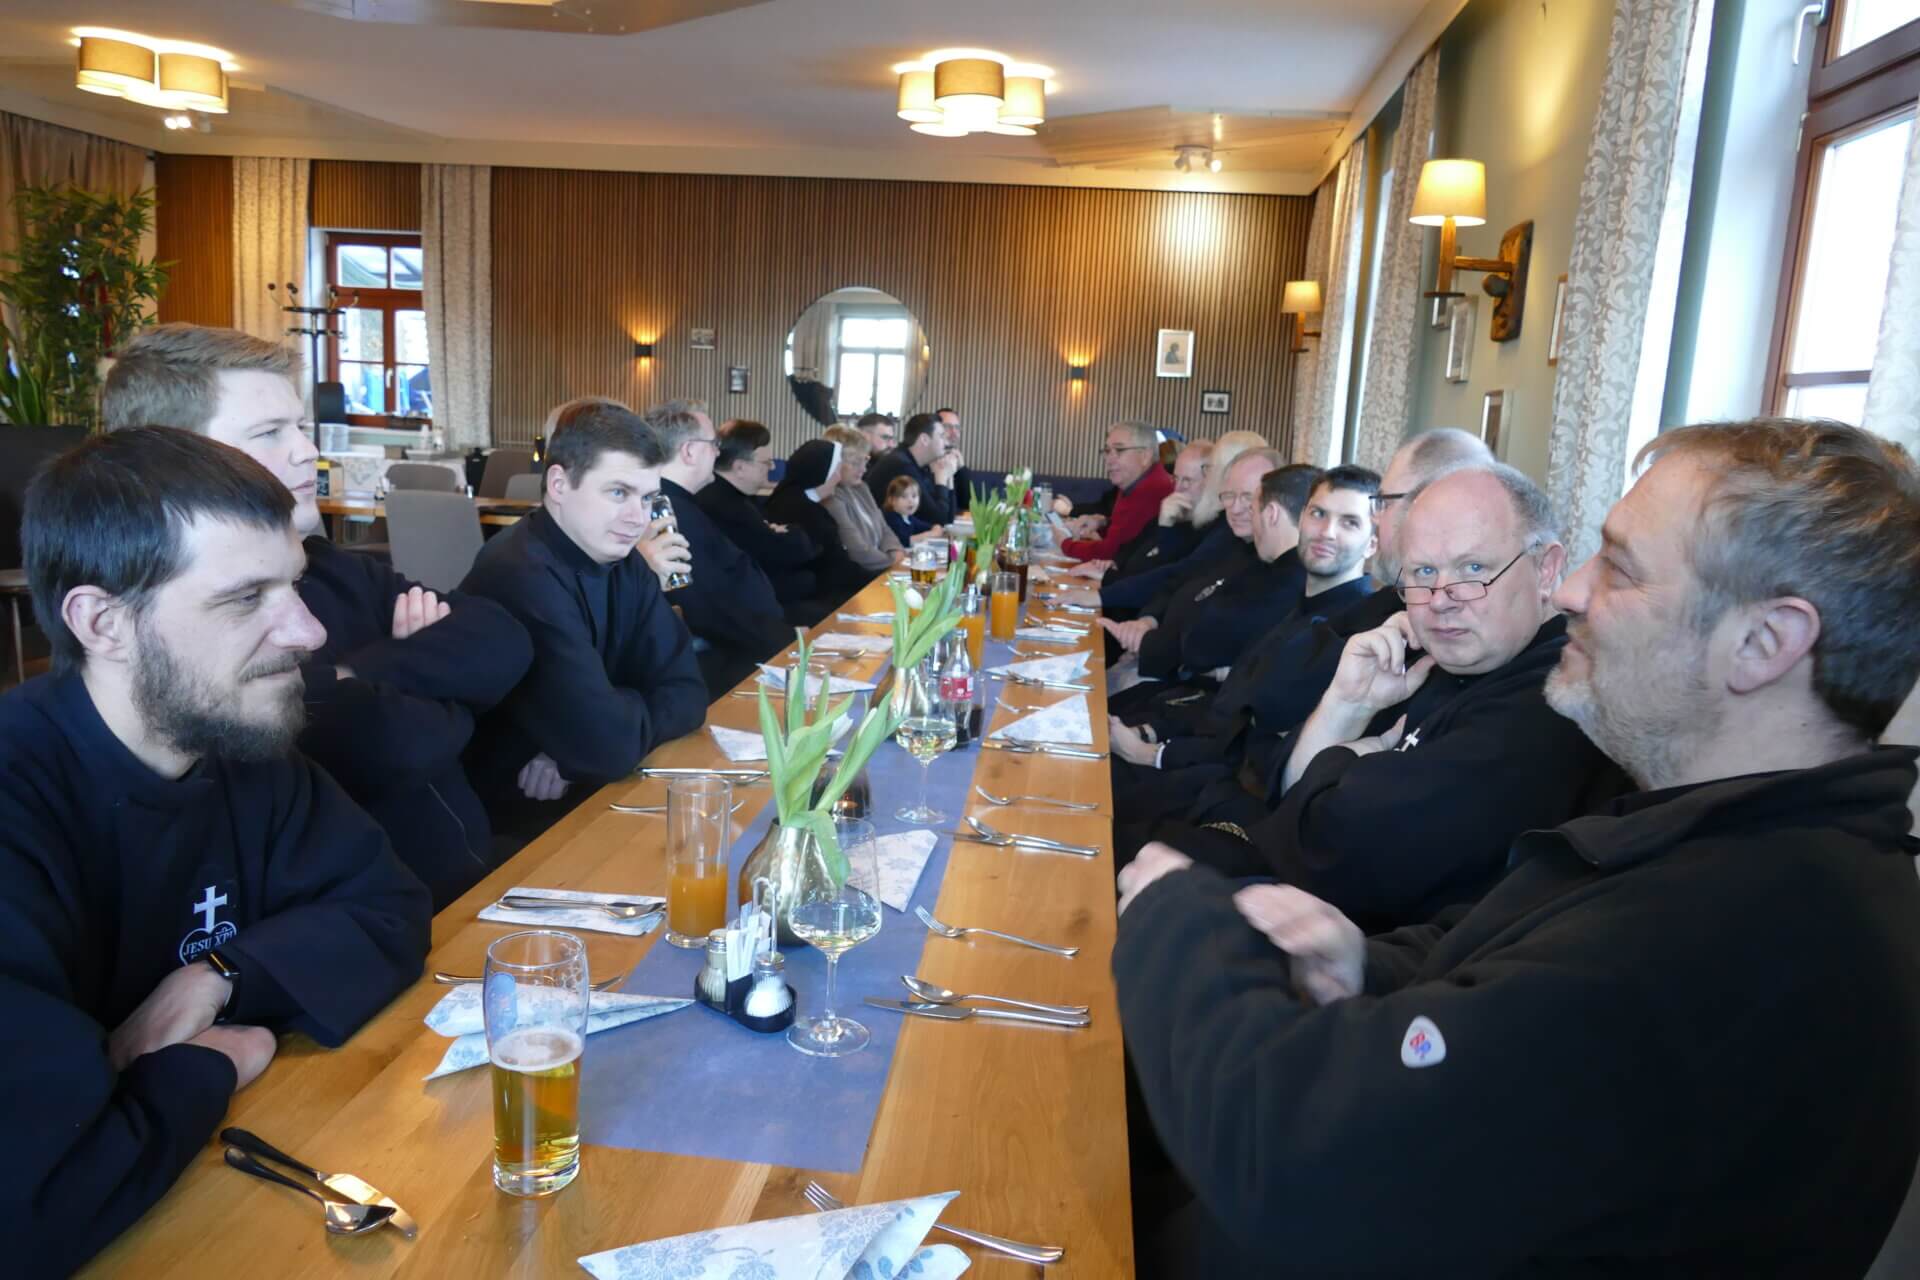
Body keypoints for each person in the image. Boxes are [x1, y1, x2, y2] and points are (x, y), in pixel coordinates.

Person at [1114, 418, 1920, 1277]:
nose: (1569, 591)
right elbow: (1509, 951)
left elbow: (1295, 1153)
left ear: (1763, 643)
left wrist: (1176, 913)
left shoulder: (1744, 935)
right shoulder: (1726, 836)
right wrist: (1366, 965)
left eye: (1619, 568)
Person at [1, 428, 432, 1273]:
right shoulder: (18, 797)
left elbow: (391, 910)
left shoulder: (237, 747)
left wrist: (220, 974)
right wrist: (223, 1057)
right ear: (103, 622)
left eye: (295, 585)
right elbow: (34, 1204)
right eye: (245, 598)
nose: (309, 631)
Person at [101, 323, 533, 907]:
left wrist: (352, 676)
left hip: (473, 883)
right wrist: (447, 695)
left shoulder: (330, 565)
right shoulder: (176, 619)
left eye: (300, 426)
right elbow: (394, 747)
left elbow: (505, 641)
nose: (307, 450)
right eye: (271, 432)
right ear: (176, 456)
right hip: (371, 916)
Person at [1131, 463, 1622, 929]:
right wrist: (1348, 705)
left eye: (1472, 568)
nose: (1440, 599)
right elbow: (1287, 789)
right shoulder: (1425, 655)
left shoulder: (1553, 694)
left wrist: (1342, 761)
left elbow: (1344, 841)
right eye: (1423, 572)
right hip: (1283, 871)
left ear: (1545, 569)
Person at [461, 401, 707, 836]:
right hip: (510, 816)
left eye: (647, 498)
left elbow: (689, 692)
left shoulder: (624, 560)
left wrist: (574, 750)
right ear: (559, 484)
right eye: (618, 493)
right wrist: (596, 735)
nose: (637, 518)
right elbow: (607, 745)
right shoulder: (519, 573)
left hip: (584, 784)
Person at [1107, 465, 1378, 821]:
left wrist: (1152, 753)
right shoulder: (1301, 605)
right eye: (1318, 514)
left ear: (1373, 543)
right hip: (1194, 754)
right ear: (1301, 518)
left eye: (1349, 522)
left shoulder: (1353, 634)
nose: (1326, 531)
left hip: (1236, 800)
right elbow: (1227, 709)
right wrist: (1151, 734)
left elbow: (1254, 751)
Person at [1101, 451, 1295, 680]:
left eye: (1248, 497)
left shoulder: (1276, 568)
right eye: (1229, 495)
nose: (1235, 508)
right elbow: (1177, 581)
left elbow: (1210, 646)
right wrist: (1147, 622)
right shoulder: (1230, 540)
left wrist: (1146, 643)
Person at [644, 399, 790, 697]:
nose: (718, 452)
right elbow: (703, 607)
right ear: (689, 451)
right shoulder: (668, 511)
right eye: (713, 444)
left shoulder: (683, 502)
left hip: (743, 644)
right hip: (722, 664)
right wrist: (784, 639)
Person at [697, 420, 830, 625]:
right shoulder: (726, 505)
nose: (773, 466)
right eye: (766, 462)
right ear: (740, 467)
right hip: (748, 614)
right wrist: (788, 534)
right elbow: (785, 553)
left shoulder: (736, 497)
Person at [765, 438, 873, 605]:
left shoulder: (790, 499)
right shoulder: (802, 511)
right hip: (813, 600)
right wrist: (878, 580)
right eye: (837, 470)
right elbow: (836, 567)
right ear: (823, 474)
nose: (839, 477)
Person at [1060, 421, 1175, 562]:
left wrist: (1064, 543)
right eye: (1107, 451)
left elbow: (1112, 553)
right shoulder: (1134, 482)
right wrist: (1102, 523)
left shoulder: (1152, 489)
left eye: (1119, 450)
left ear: (1145, 456)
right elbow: (1125, 536)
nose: (1109, 460)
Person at [818, 424, 906, 574]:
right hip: (856, 577)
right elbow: (857, 550)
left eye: (865, 460)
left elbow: (884, 528)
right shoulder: (830, 496)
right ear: (835, 463)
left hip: (879, 569)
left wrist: (895, 550)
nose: (863, 469)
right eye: (855, 463)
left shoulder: (861, 488)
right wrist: (891, 562)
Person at [864, 413, 959, 525]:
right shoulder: (901, 465)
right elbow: (939, 519)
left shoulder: (919, 464)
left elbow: (949, 519)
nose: (946, 442)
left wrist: (949, 478)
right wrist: (941, 481)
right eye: (941, 436)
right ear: (924, 439)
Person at [935, 407, 972, 510]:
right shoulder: (927, 460)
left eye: (957, 427)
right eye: (947, 427)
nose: (954, 432)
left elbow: (968, 505)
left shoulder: (955, 460)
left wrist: (962, 469)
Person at [884, 475, 938, 544]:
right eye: (904, 496)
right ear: (892, 500)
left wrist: (935, 528)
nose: (911, 501)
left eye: (914, 496)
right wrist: (930, 534)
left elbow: (929, 527)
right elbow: (903, 541)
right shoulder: (891, 518)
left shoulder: (908, 517)